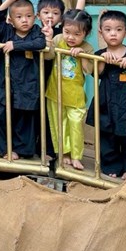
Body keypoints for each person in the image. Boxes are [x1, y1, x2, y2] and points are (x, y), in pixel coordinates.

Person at [86, 10, 126, 180]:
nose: (113, 33)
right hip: (106, 103)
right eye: (108, 30)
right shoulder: (100, 54)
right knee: (107, 138)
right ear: (101, 33)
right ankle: (111, 166)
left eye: (118, 29)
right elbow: (96, 73)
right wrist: (102, 60)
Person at [0, 0, 46, 159]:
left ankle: (23, 150)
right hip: (3, 83)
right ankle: (3, 149)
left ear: (34, 17)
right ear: (11, 20)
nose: (24, 20)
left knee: (24, 118)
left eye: (28, 16)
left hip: (28, 84)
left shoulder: (36, 32)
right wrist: (9, 0)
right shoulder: (7, 31)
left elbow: (40, 43)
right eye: (19, 17)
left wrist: (15, 45)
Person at [43, 9, 94, 171]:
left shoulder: (87, 47)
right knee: (59, 125)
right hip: (55, 92)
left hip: (75, 96)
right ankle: (63, 153)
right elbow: (48, 56)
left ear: (86, 33)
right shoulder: (58, 39)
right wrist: (49, 40)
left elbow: (88, 70)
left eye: (77, 34)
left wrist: (82, 55)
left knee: (76, 125)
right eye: (67, 32)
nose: (71, 37)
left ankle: (76, 156)